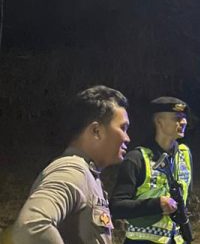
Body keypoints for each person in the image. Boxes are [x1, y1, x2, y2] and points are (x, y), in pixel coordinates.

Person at [8, 85, 131, 244]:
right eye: (123, 128)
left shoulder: (89, 176)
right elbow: (31, 227)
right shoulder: (72, 171)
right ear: (96, 131)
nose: (127, 138)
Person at [110, 97, 193, 244]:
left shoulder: (184, 154)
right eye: (177, 118)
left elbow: (187, 196)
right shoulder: (137, 158)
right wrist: (156, 204)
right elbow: (117, 207)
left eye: (184, 118)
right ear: (159, 122)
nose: (184, 122)